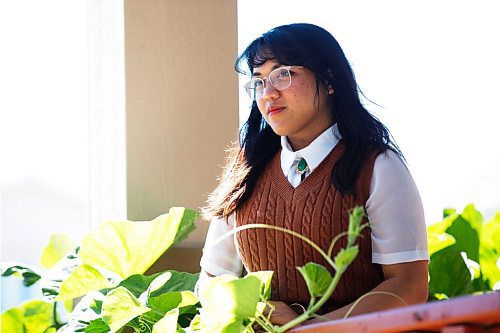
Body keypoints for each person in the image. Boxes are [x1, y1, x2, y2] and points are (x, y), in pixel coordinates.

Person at [199, 23, 429, 326]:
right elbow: (212, 280)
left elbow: (408, 287)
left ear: (329, 79)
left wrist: (308, 328)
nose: (268, 93)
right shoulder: (245, 173)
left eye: (283, 74)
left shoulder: (379, 166)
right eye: (258, 82)